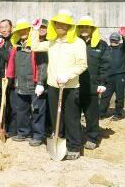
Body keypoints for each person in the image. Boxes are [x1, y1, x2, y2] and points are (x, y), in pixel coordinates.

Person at [31, 9, 88, 160]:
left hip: (70, 87)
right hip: (53, 86)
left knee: (71, 117)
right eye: (57, 24)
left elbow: (82, 65)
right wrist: (35, 30)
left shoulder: (78, 43)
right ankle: (59, 139)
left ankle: (74, 146)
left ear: (70, 26)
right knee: (56, 117)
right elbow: (34, 47)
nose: (60, 27)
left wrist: (67, 76)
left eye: (64, 24)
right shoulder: (52, 42)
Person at [5, 19, 47, 146]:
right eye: (20, 30)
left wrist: (41, 82)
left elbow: (43, 65)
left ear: (29, 31)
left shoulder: (37, 45)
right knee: (21, 110)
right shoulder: (16, 47)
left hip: (34, 84)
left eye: (25, 30)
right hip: (20, 83)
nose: (23, 32)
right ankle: (23, 132)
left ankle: (38, 135)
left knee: (37, 111)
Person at [76, 16, 110, 149]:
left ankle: (92, 137)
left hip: (92, 85)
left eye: (87, 27)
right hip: (75, 85)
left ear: (92, 29)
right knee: (73, 114)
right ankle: (76, 136)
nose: (84, 29)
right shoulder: (74, 43)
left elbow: (106, 65)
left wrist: (103, 82)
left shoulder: (101, 45)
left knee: (91, 114)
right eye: (82, 27)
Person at [100, 27, 125, 120]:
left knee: (119, 95)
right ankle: (101, 113)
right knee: (105, 95)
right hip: (108, 76)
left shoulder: (122, 47)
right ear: (110, 40)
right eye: (112, 40)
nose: (114, 41)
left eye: (115, 40)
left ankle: (119, 113)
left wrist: (124, 36)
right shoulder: (107, 49)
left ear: (118, 40)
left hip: (120, 75)